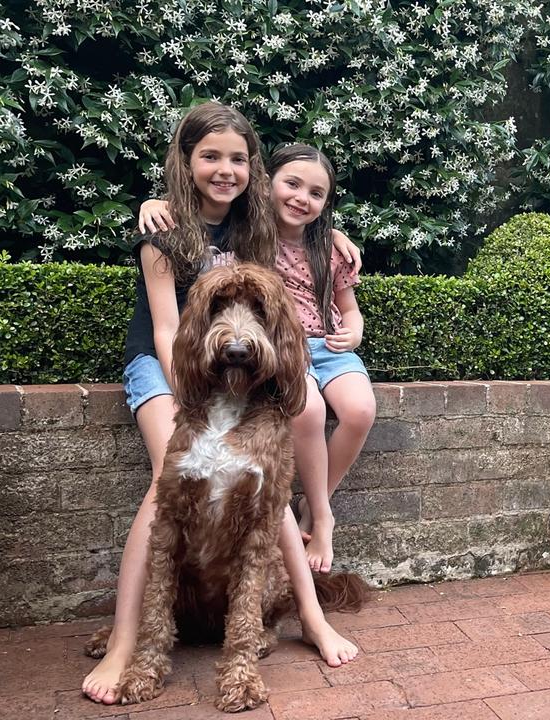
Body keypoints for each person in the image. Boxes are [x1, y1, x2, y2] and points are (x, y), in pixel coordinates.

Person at [83, 102, 358, 707]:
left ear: (252, 168)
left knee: (262, 485)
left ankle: (308, 615)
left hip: (233, 376)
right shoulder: (163, 231)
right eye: (209, 156)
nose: (225, 170)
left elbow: (301, 219)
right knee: (168, 481)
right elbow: (165, 330)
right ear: (185, 162)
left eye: (238, 159)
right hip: (168, 364)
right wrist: (190, 400)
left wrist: (331, 233)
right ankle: (126, 643)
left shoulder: (252, 226)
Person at [138, 144, 375, 574]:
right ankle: (321, 517)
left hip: (330, 345)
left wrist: (354, 327)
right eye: (293, 184)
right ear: (266, 185)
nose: (302, 198)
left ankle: (318, 506)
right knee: (308, 409)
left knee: (360, 410)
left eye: (317, 194)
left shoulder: (332, 249)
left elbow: (349, 304)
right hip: (282, 349)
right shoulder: (250, 236)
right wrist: (156, 203)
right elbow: (198, 220)